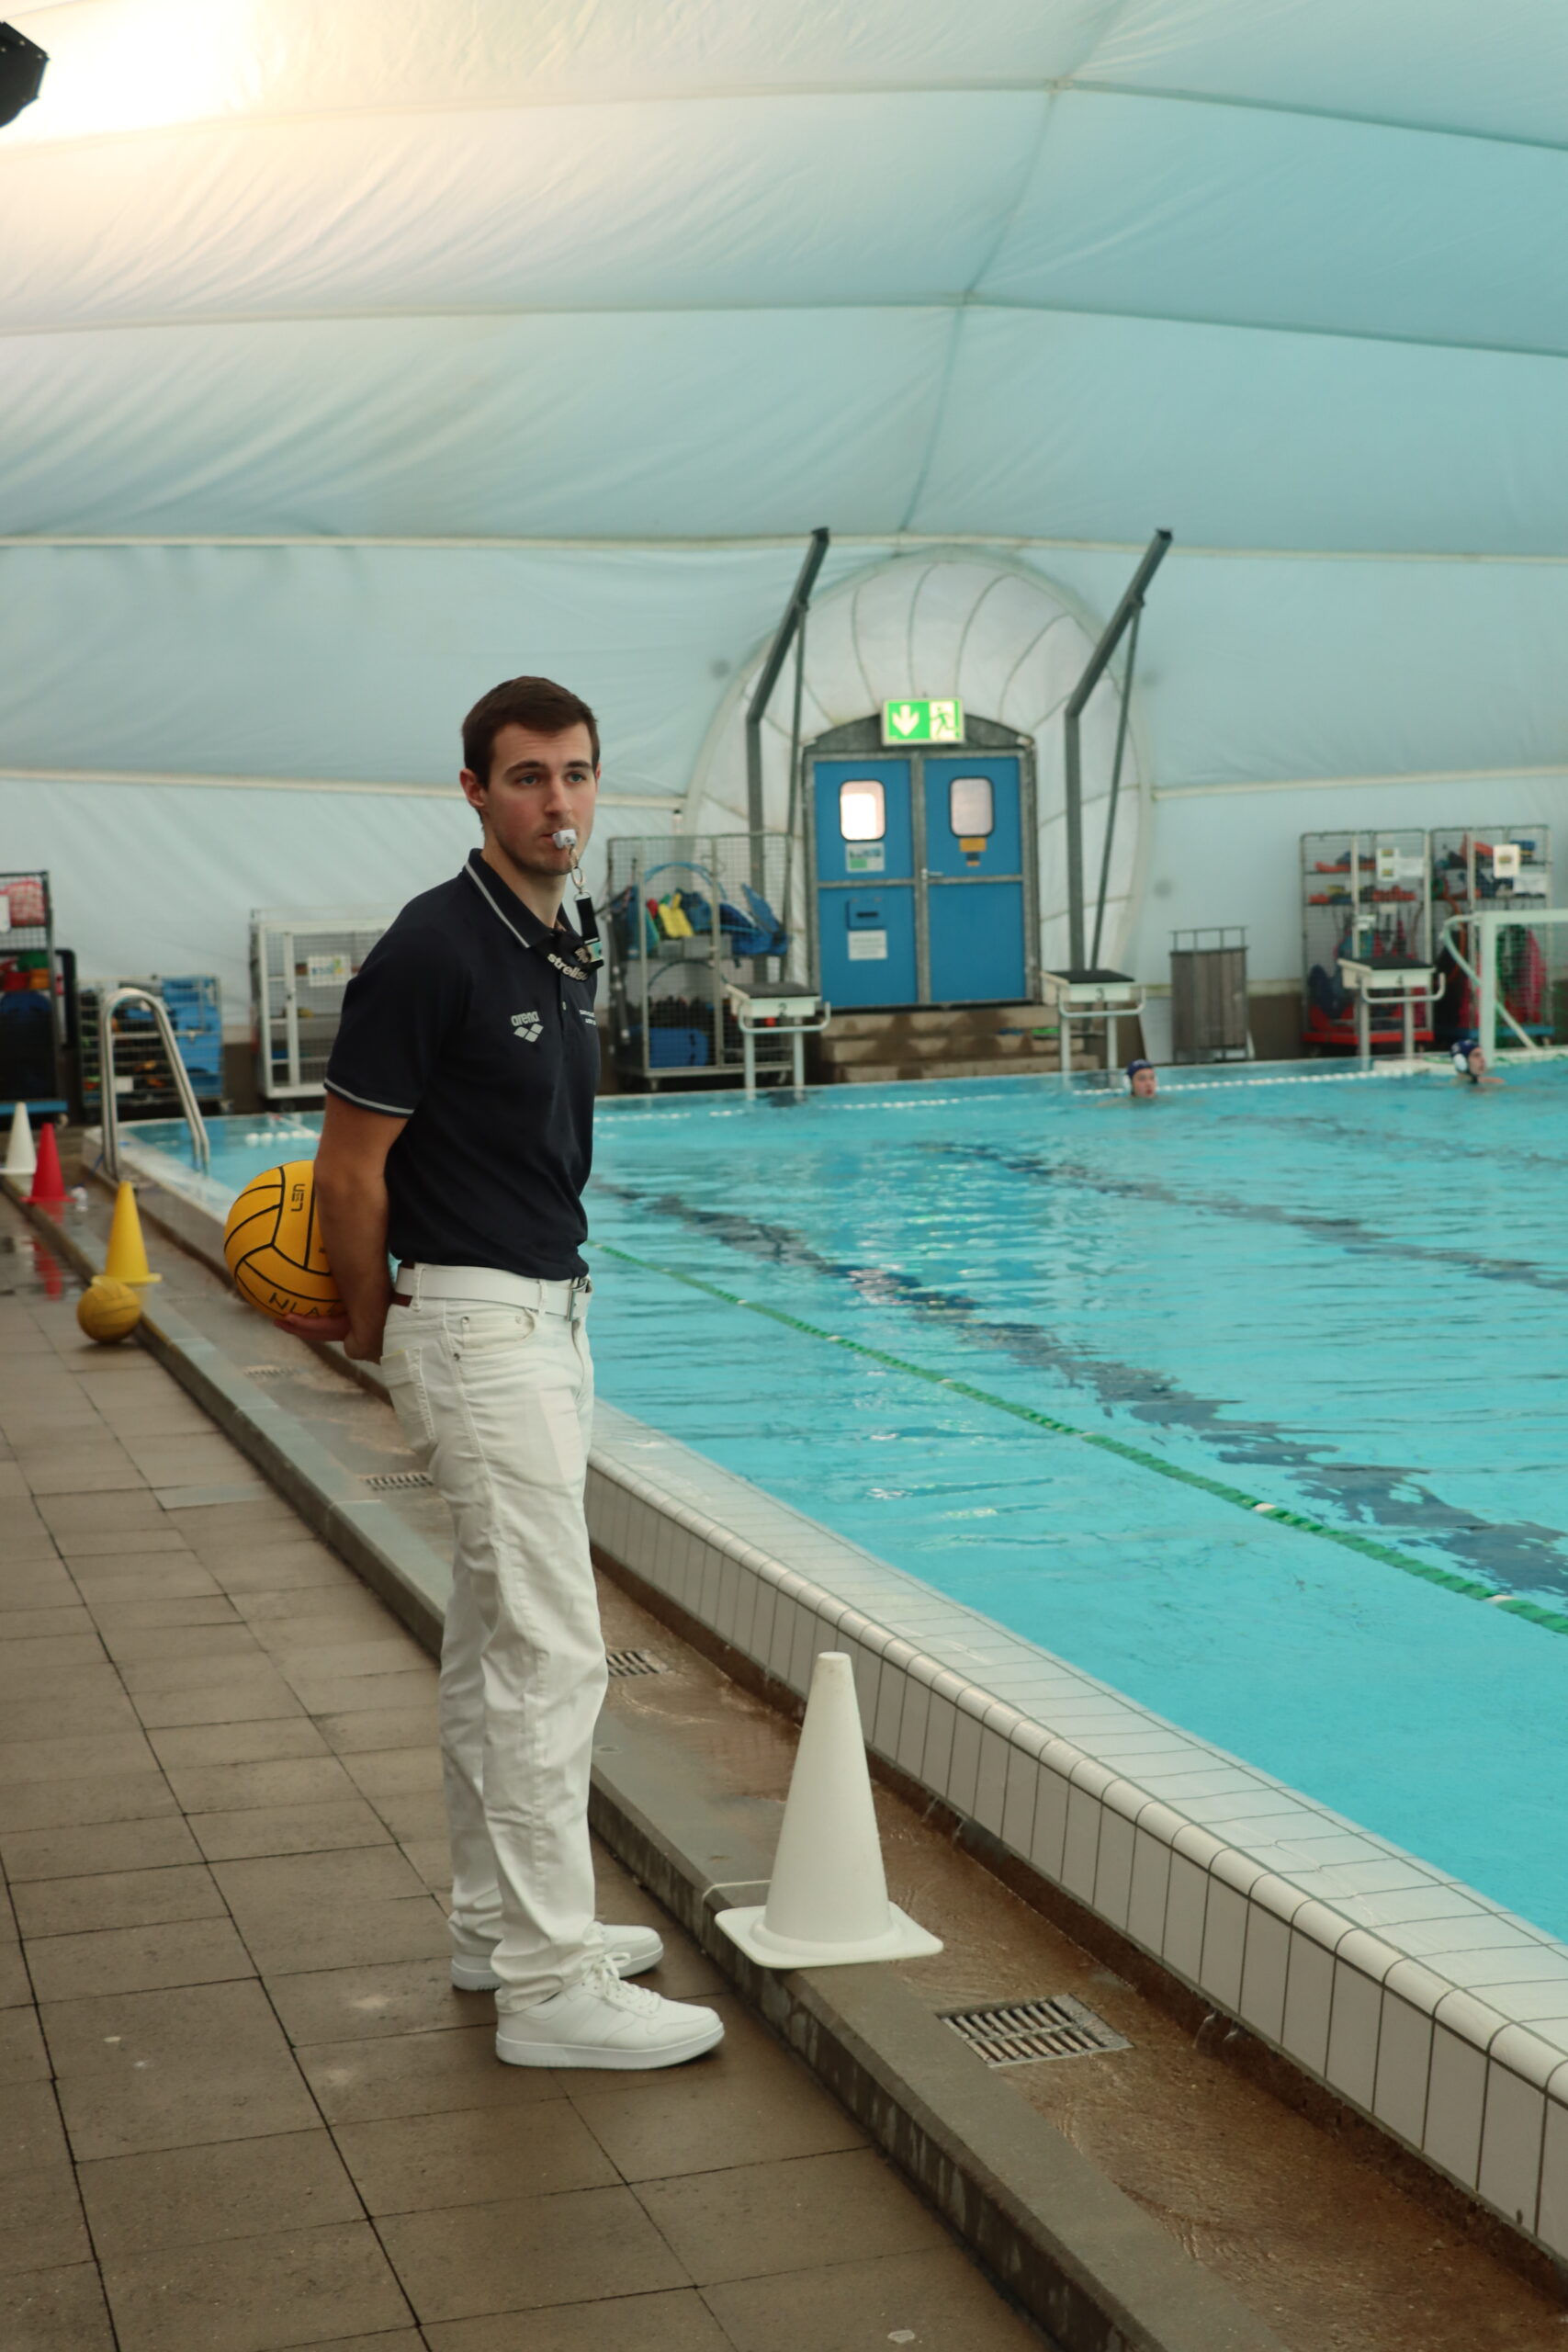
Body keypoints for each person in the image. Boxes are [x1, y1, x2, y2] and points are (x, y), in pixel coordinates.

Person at [288, 675, 724, 2074]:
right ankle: (548, 1989)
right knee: (552, 1652)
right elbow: (347, 1169)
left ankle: (498, 1931)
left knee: (494, 1648)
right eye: (528, 776)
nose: (557, 801)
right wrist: (375, 1330)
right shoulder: (432, 950)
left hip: (545, 1317)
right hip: (477, 1327)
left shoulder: (556, 941)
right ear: (474, 789)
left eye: (576, 774)